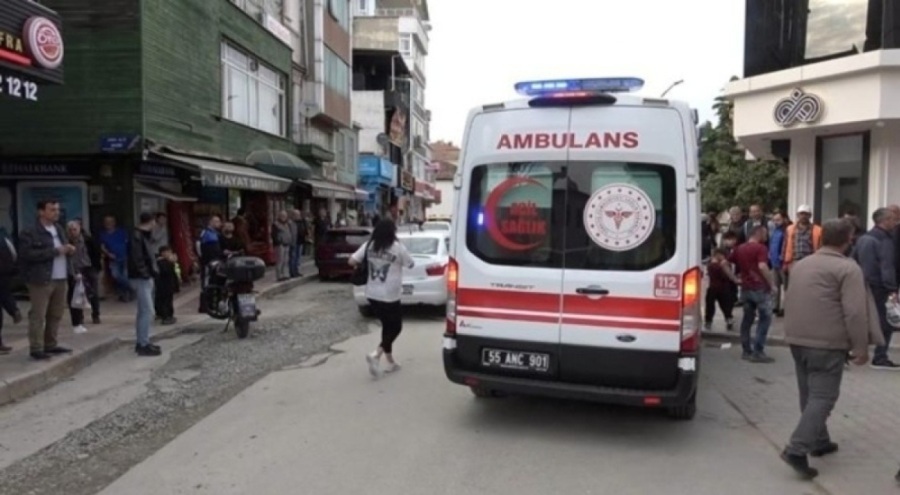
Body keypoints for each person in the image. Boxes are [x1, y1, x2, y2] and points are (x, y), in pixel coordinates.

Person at [780, 218, 879, 480]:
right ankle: (797, 448)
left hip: (797, 338)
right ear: (849, 240)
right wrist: (861, 348)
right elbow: (856, 313)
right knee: (823, 397)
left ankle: (819, 440)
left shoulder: (802, 264)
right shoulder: (847, 268)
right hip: (827, 343)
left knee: (809, 393)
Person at [349, 220, 415, 378]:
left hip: (372, 293)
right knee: (396, 327)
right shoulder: (397, 247)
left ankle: (390, 361)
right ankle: (376, 354)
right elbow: (410, 264)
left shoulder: (369, 245)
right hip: (390, 295)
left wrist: (365, 264)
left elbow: (351, 260)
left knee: (387, 327)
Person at [18, 200, 75, 361]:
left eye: (57, 210)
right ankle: (36, 347)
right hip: (41, 278)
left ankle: (51, 343)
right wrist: (56, 251)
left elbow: (63, 248)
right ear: (41, 212)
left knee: (56, 313)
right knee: (38, 314)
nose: (56, 213)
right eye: (52, 210)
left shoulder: (58, 229)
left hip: (61, 277)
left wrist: (69, 249)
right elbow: (27, 255)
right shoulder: (30, 232)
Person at [851, 207, 899, 370]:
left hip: (864, 284)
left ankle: (855, 351)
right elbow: (887, 266)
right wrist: (892, 288)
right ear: (884, 221)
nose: (895, 222)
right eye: (892, 219)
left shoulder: (864, 238)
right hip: (880, 286)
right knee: (886, 321)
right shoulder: (884, 240)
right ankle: (880, 356)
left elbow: (854, 260)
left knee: (863, 319)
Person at [730, 225, 776, 363]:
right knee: (765, 319)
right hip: (760, 288)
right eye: (765, 233)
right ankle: (758, 351)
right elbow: (762, 266)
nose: (767, 236)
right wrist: (772, 284)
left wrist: (734, 279)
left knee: (747, 319)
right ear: (758, 234)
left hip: (746, 288)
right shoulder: (761, 248)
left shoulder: (740, 248)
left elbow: (725, 262)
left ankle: (746, 350)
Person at [129, 212, 161, 357]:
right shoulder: (137, 236)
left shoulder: (142, 235)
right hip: (141, 277)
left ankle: (143, 341)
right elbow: (137, 258)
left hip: (144, 276)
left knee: (143, 311)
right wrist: (145, 274)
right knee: (148, 311)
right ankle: (143, 344)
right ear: (152, 221)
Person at [65, 221, 92, 334]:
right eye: (70, 230)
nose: (73, 232)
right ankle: (76, 322)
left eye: (75, 229)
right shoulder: (67, 243)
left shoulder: (86, 240)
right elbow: (68, 260)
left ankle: (85, 317)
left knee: (87, 294)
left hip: (86, 268)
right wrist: (73, 273)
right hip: (74, 272)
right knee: (74, 296)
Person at [99, 215, 132, 302]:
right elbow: (102, 247)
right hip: (113, 259)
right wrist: (108, 254)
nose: (108, 223)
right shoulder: (103, 234)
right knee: (116, 275)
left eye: (110, 221)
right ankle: (131, 288)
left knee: (125, 275)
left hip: (125, 257)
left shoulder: (122, 232)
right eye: (106, 222)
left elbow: (128, 243)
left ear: (114, 222)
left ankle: (125, 294)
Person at [704, 248, 738, 332]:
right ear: (718, 255)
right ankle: (728, 319)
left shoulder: (711, 265)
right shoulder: (720, 265)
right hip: (723, 288)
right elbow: (727, 275)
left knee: (710, 305)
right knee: (725, 305)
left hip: (713, 288)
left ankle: (709, 321)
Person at [0, 228, 22, 354]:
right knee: (5, 294)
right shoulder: (3, 236)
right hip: (4, 273)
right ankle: (13, 310)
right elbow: (14, 254)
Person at [77, 219, 102, 324]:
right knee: (77, 293)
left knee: (93, 292)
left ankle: (96, 314)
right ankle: (79, 316)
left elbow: (97, 252)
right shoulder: (68, 241)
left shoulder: (89, 239)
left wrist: (96, 267)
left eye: (75, 228)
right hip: (77, 269)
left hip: (89, 267)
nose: (73, 231)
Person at [198, 215, 223, 313]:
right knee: (206, 282)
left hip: (216, 261)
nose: (218, 223)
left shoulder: (216, 233)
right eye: (216, 221)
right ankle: (204, 306)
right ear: (210, 222)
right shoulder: (205, 233)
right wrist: (205, 260)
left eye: (219, 221)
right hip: (208, 262)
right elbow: (199, 247)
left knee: (214, 282)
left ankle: (213, 304)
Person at [769, 212, 789, 317]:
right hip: (774, 262)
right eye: (774, 220)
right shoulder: (775, 230)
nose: (776, 222)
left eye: (778, 220)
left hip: (783, 262)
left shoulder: (787, 230)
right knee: (775, 286)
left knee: (786, 287)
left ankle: (786, 307)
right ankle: (775, 306)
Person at [154, 246, 178, 326]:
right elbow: (165, 272)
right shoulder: (161, 262)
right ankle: (166, 316)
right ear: (163, 253)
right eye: (168, 252)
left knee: (167, 300)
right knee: (165, 301)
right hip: (163, 285)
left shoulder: (165, 261)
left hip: (168, 285)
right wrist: (171, 263)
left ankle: (166, 315)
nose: (170, 254)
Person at [272, 211, 292, 282]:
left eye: (285, 216)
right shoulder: (276, 224)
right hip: (280, 245)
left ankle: (285, 274)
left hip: (287, 244)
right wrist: (278, 242)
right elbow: (274, 235)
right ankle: (279, 276)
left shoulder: (288, 224)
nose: (284, 217)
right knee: (280, 261)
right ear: (279, 216)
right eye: (282, 216)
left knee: (286, 261)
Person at [290, 209, 308, 278]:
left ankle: (297, 271)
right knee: (293, 258)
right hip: (294, 242)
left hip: (300, 242)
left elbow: (305, 230)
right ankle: (292, 272)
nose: (297, 216)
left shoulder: (302, 222)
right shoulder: (291, 223)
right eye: (295, 215)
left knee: (298, 258)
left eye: (298, 214)